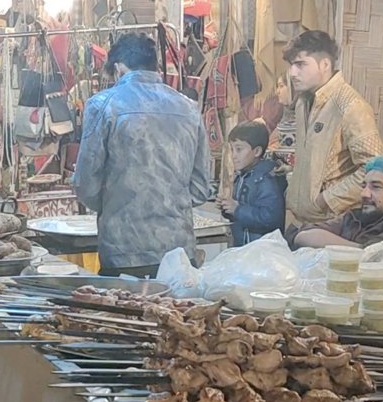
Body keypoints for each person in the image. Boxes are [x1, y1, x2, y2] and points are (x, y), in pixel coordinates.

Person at [72, 33, 211, 278]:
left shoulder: (102, 105)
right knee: (179, 315)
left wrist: (117, 205)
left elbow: (85, 185)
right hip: (179, 254)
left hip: (124, 252)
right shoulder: (189, 108)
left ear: (118, 68)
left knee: (127, 315)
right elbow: (201, 188)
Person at [283, 30, 383, 224]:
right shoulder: (303, 102)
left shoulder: (350, 106)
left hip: (334, 223)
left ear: (325, 65)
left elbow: (375, 168)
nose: (293, 73)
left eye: (301, 64)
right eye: (291, 65)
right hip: (301, 219)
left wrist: (327, 199)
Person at [287, 156, 383, 274]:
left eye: (376, 187)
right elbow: (302, 234)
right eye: (364, 186)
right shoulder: (356, 218)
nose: (364, 193)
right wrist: (358, 250)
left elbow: (373, 260)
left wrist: (357, 251)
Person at [216, 121, 286, 247]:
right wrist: (226, 207)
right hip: (243, 248)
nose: (233, 155)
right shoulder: (241, 177)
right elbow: (237, 215)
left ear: (257, 151)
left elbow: (270, 219)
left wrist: (237, 209)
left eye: (239, 149)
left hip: (262, 251)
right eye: (231, 150)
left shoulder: (266, 180)